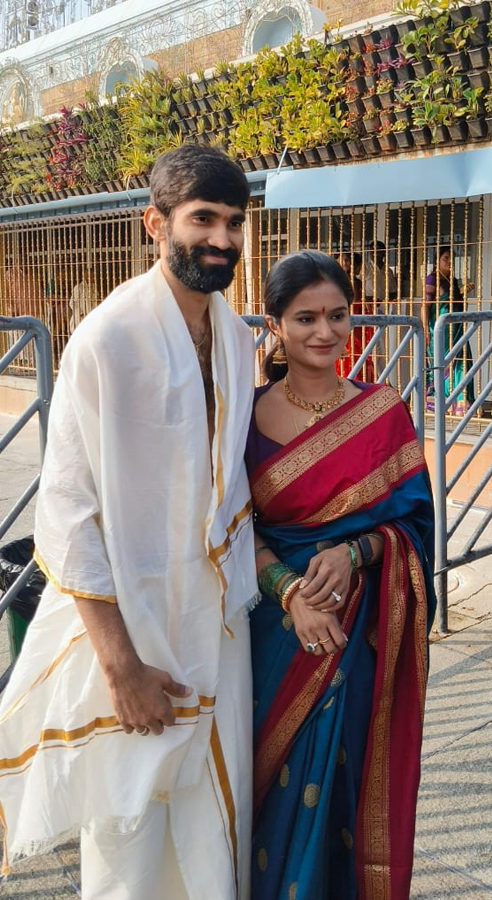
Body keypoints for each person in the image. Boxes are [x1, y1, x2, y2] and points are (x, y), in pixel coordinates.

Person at [0, 144, 256, 898]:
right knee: (128, 835)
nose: (220, 239)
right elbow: (68, 516)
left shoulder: (237, 339)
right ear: (156, 223)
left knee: (217, 819)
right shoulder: (107, 340)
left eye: (234, 223)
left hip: (217, 626)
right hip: (132, 634)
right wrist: (121, 670)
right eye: (202, 219)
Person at [247, 250, 434, 900]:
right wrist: (290, 591)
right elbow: (227, 533)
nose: (324, 332)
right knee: (270, 803)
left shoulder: (384, 413)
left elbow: (414, 528)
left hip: (357, 639)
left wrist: (356, 554)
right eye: (304, 318)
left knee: (343, 790)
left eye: (337, 315)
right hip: (274, 635)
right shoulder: (241, 421)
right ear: (275, 325)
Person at [423, 246, 475, 414]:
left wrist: (463, 293)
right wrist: (424, 329)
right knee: (441, 364)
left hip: (456, 327)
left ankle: (460, 402)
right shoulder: (432, 279)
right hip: (440, 329)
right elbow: (426, 306)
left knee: (462, 361)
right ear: (437, 260)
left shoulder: (451, 280)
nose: (449, 262)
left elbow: (456, 302)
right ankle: (439, 401)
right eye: (445, 258)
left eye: (451, 259)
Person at [335, 251, 375, 382]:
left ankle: (354, 379)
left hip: (352, 314)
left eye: (347, 260)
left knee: (354, 349)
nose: (344, 263)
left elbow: (354, 300)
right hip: (341, 315)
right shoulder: (333, 281)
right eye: (342, 260)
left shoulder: (354, 281)